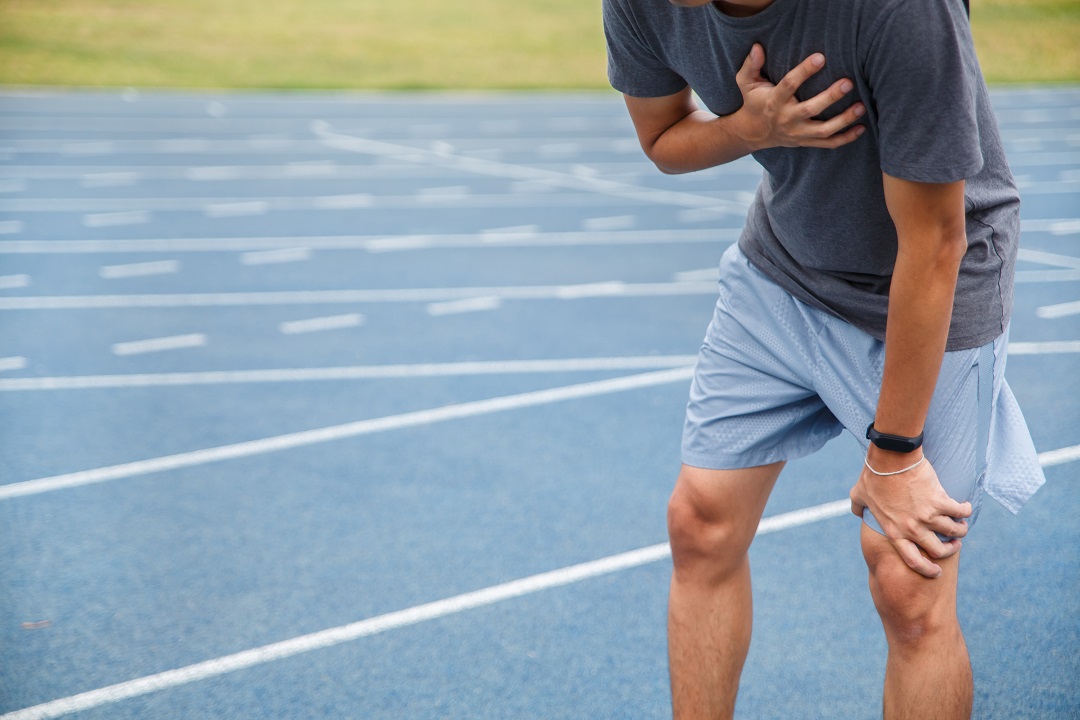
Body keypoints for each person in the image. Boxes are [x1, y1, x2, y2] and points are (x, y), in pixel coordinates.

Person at [601, 0, 1046, 718]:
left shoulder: (899, 10)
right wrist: (750, 129)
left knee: (909, 585)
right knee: (700, 522)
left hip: (934, 280)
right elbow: (661, 139)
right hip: (785, 265)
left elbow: (933, 244)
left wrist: (894, 455)